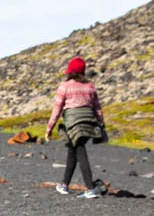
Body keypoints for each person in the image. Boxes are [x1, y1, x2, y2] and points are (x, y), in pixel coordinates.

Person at [43, 57, 108, 197]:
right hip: (89, 123)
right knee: (73, 151)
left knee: (79, 150)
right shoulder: (90, 86)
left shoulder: (65, 86)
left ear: (70, 72)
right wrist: (101, 125)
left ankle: (90, 188)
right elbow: (97, 108)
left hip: (73, 124)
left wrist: (49, 129)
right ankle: (64, 184)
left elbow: (57, 109)